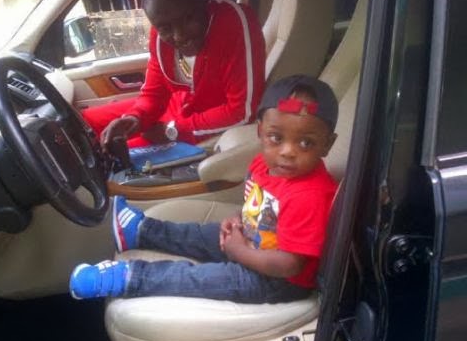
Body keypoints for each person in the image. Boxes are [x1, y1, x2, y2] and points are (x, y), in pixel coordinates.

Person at [70, 75, 339, 304]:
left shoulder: (310, 196)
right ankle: (141, 232)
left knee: (198, 278)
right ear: (260, 132)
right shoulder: (261, 164)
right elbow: (257, 208)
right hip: (254, 242)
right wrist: (237, 221)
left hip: (277, 281)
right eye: (276, 137)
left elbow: (290, 265)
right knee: (200, 234)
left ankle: (130, 277)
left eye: (305, 143)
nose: (288, 152)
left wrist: (238, 252)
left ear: (327, 144)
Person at [82, 0, 266, 150]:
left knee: (118, 153)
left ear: (203, 3)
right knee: (85, 122)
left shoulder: (233, 23)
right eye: (165, 28)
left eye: (188, 18)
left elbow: (242, 111)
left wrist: (175, 130)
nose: (179, 36)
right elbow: (154, 94)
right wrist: (135, 118)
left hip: (205, 126)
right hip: (176, 111)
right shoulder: (160, 32)